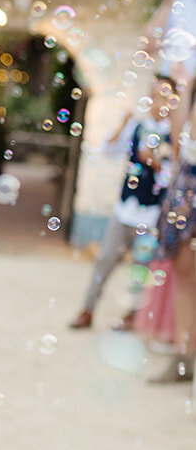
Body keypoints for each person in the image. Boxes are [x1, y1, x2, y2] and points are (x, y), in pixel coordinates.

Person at [69, 76, 176, 331]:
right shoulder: (136, 127)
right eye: (155, 95)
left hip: (151, 215)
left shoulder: (173, 136)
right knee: (104, 259)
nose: (159, 102)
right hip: (124, 209)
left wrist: (155, 162)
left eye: (165, 97)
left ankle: (131, 316)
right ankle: (87, 309)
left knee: (140, 270)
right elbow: (109, 151)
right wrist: (122, 124)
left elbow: (171, 179)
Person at [147, 81, 196, 384]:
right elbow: (179, 143)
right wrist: (188, 87)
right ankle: (183, 357)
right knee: (185, 274)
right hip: (188, 181)